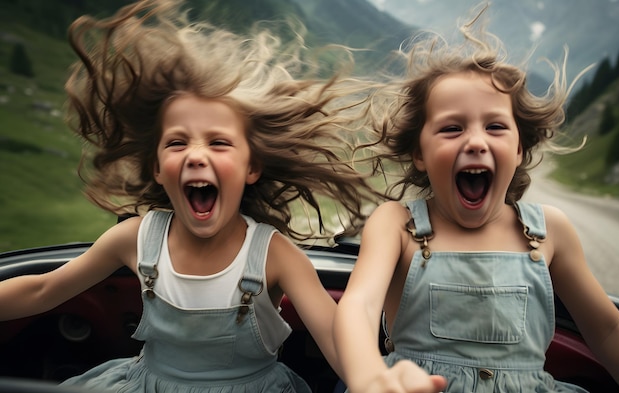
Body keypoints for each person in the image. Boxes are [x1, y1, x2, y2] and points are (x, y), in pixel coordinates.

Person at [0, 0, 383, 392]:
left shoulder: (275, 254)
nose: (196, 155)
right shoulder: (134, 238)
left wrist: (377, 379)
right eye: (177, 142)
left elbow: (339, 340)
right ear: (156, 167)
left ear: (252, 168)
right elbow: (42, 290)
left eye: (218, 143)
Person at [333, 6, 619, 393]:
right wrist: (371, 377)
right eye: (452, 128)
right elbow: (359, 306)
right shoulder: (397, 224)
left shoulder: (548, 231)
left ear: (519, 148)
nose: (475, 141)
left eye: (495, 127)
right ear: (419, 153)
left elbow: (608, 329)